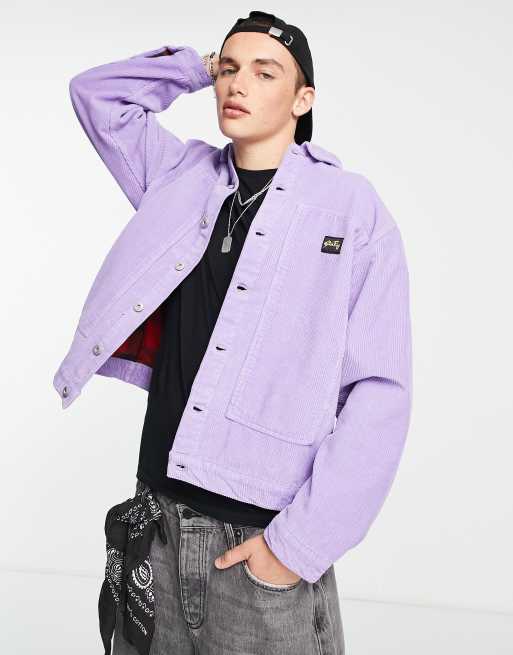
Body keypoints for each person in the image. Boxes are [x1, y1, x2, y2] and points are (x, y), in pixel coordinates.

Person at [55, 9, 412, 655]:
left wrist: (295, 548)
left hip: (260, 543)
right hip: (155, 521)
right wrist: (196, 66)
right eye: (228, 69)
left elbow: (380, 393)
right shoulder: (179, 175)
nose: (237, 84)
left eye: (264, 72)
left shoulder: (350, 208)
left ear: (303, 99)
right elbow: (96, 96)